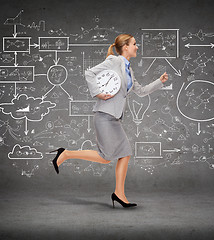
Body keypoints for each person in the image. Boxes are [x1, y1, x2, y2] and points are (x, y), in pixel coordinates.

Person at [50, 34, 168, 208]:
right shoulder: (114, 61)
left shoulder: (129, 69)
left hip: (114, 118)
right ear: (125, 47)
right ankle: (66, 154)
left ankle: (119, 194)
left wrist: (159, 81)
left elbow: (141, 91)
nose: (137, 47)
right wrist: (97, 93)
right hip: (104, 115)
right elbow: (89, 73)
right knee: (106, 158)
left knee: (125, 154)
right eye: (134, 44)